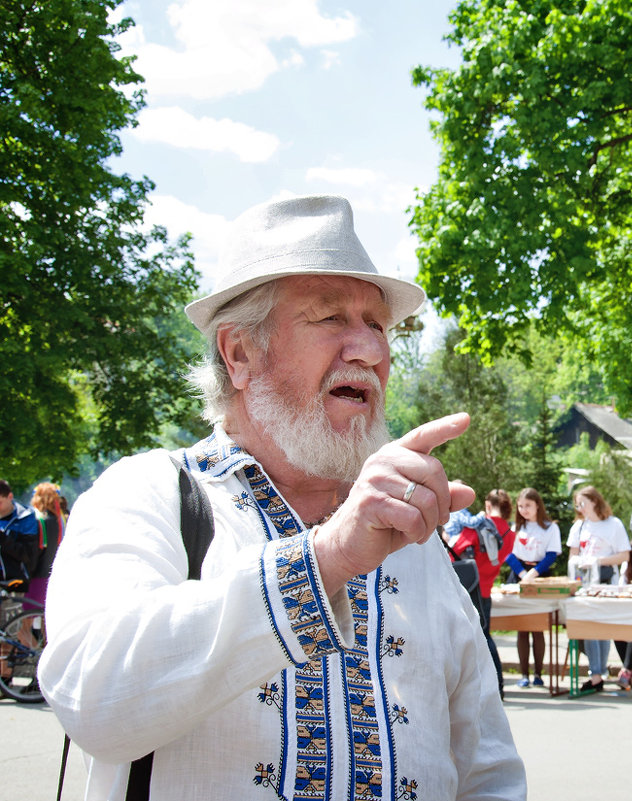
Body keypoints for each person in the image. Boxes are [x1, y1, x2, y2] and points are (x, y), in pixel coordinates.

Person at [38, 195, 526, 800]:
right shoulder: (152, 493)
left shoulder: (414, 542)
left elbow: (488, 773)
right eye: (329, 319)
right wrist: (326, 561)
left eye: (376, 324)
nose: (369, 350)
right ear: (239, 353)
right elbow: (92, 700)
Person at [450, 488, 516, 695]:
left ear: (488, 505)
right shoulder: (510, 533)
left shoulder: (479, 525)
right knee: (485, 635)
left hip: (467, 587)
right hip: (486, 588)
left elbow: (457, 549)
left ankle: (489, 687)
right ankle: (497, 685)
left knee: (468, 639)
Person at [566, 485, 631, 692]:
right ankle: (596, 673)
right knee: (588, 626)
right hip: (585, 580)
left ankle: (599, 672)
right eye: (578, 504)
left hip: (605, 579)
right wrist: (582, 563)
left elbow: (624, 555)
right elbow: (572, 556)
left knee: (601, 627)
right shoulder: (579, 526)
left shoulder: (613, 524)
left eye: (583, 502)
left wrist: (597, 561)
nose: (580, 507)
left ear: (595, 501)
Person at [504, 487, 561, 687]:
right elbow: (508, 554)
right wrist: (522, 574)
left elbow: (552, 554)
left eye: (528, 505)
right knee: (522, 627)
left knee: (537, 627)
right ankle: (524, 675)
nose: (524, 510)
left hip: (539, 575)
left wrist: (533, 573)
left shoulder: (550, 527)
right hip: (519, 575)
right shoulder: (515, 528)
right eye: (520, 506)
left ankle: (538, 674)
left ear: (537, 505)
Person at [26, 483, 65, 610]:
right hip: (54, 573)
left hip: (37, 573)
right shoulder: (60, 520)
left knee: (28, 621)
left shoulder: (38, 520)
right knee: (45, 617)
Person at [0, 479, 39, 587]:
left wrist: (3, 538)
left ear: (10, 496)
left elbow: (28, 555)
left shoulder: (26, 518)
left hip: (16, 584)